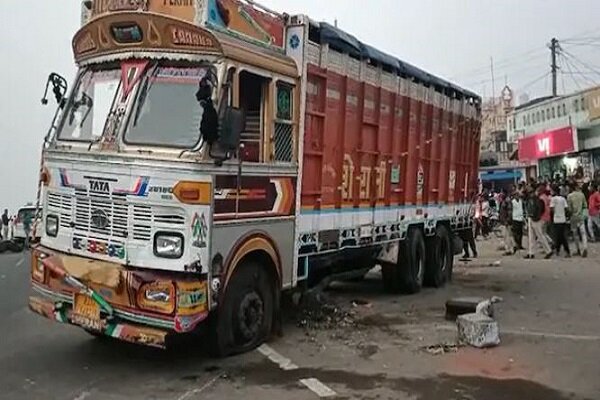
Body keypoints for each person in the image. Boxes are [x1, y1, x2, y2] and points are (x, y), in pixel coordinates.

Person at [525, 186, 553, 259]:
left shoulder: (538, 200)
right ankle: (531, 252)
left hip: (536, 219)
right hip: (531, 218)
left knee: (540, 236)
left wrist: (537, 217)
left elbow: (541, 209)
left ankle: (548, 250)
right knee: (531, 237)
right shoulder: (531, 199)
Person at [567, 183, 588, 257]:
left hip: (573, 217)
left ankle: (578, 250)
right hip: (581, 216)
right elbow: (585, 205)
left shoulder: (569, 196)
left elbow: (569, 209)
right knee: (583, 233)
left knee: (575, 234)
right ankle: (585, 247)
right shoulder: (581, 195)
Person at [550, 185, 570, 257]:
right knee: (560, 236)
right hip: (563, 219)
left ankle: (564, 250)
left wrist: (555, 213)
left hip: (556, 219)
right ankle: (559, 250)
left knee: (559, 236)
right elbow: (566, 209)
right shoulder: (563, 199)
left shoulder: (553, 199)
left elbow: (552, 209)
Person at [498, 190, 514, 255]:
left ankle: (508, 250)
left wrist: (507, 220)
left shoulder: (507, 202)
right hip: (503, 221)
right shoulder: (503, 202)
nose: (501, 195)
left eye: (502, 194)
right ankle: (511, 248)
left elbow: (509, 212)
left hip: (505, 221)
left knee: (506, 236)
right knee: (507, 236)